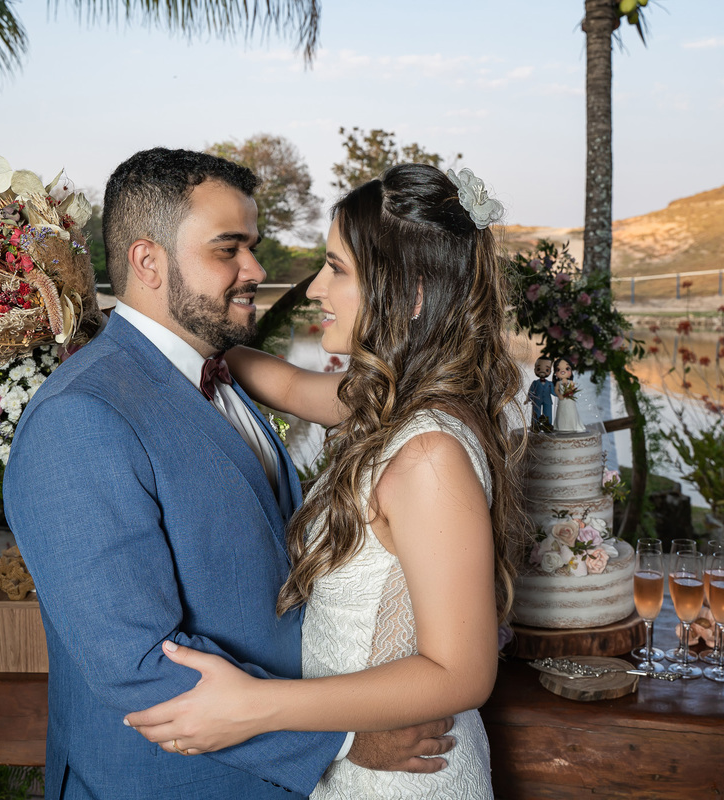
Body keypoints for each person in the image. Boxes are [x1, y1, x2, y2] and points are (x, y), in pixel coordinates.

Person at [3, 149, 454, 800]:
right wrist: (346, 737)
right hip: (170, 781)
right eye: (228, 249)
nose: (257, 270)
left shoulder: (220, 372)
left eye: (254, 246)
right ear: (148, 261)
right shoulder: (81, 417)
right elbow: (135, 665)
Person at [124, 163, 527, 799]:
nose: (315, 288)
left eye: (337, 269)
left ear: (411, 293)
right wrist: (164, 340)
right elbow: (282, 383)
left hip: (408, 780)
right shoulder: (388, 398)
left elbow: (463, 671)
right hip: (351, 770)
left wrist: (259, 706)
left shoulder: (427, 454)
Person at [551, 355, 586, 433]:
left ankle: (572, 425)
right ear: (555, 372)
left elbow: (573, 389)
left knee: (571, 411)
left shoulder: (571, 382)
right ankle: (562, 426)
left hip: (569, 400)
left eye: (567, 369)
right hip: (562, 400)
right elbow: (556, 390)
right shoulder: (558, 383)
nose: (563, 371)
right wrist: (559, 395)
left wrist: (570, 391)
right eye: (558, 369)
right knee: (562, 412)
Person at [527, 356, 554, 431]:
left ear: (550, 371)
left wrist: (560, 394)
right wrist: (528, 398)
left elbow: (554, 392)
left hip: (547, 401)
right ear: (535, 369)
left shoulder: (550, 384)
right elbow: (531, 391)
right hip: (536, 400)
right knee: (536, 413)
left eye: (547, 369)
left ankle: (547, 425)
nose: (542, 371)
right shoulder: (535, 383)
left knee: (548, 413)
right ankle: (535, 425)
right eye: (538, 369)